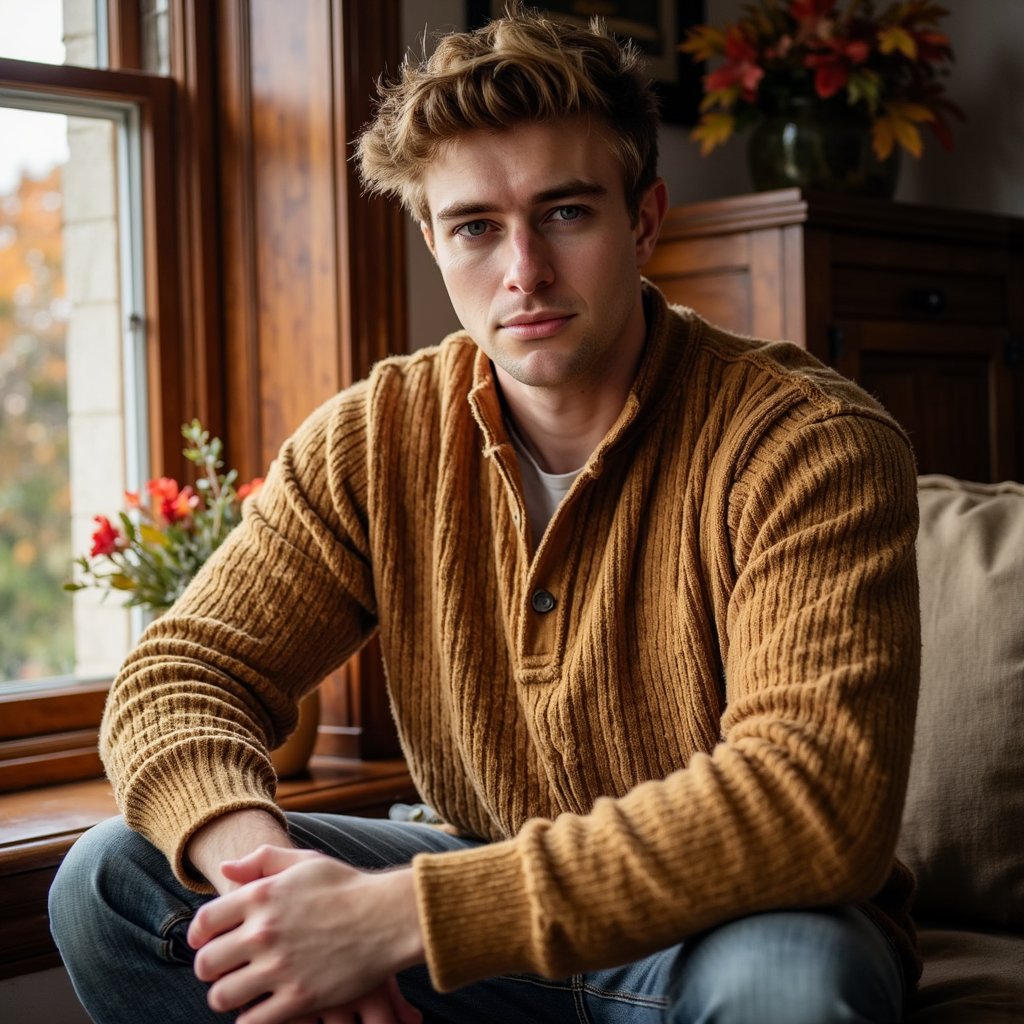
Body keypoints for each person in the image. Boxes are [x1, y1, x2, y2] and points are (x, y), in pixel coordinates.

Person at [49, 6, 922, 1024]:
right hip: (484, 918)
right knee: (113, 878)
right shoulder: (377, 436)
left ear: (644, 219)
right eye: (475, 227)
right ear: (431, 241)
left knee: (788, 987)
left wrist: (399, 917)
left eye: (566, 213)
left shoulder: (807, 441)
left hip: (734, 927)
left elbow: (814, 795)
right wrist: (280, 895)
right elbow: (179, 676)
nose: (524, 272)